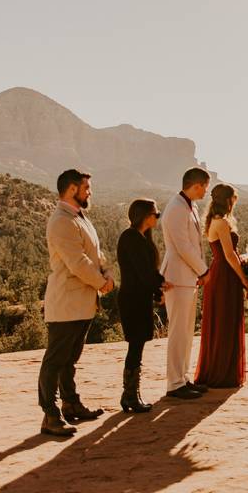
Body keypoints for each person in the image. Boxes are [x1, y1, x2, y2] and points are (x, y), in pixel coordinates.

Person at [38, 169, 115, 436]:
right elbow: (77, 262)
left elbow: (95, 254)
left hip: (82, 302)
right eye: (86, 188)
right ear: (72, 189)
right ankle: (50, 414)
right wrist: (101, 282)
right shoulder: (61, 221)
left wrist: (106, 273)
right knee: (55, 360)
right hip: (66, 302)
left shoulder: (80, 218)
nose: (89, 192)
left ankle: (71, 404)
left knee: (70, 359)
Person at [116, 199, 172, 413]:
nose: (157, 218)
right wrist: (160, 286)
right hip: (132, 300)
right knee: (135, 346)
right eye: (156, 214)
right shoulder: (130, 238)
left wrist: (159, 287)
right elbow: (143, 273)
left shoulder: (140, 238)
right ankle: (130, 395)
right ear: (145, 216)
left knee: (137, 346)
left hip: (138, 299)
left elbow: (147, 272)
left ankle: (130, 394)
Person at [161, 167, 212, 399]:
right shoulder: (176, 209)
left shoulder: (188, 206)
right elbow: (183, 246)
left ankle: (183, 378)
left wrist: (198, 273)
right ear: (197, 185)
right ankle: (174, 383)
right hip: (178, 277)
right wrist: (204, 270)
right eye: (205, 187)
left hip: (187, 277)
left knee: (187, 331)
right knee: (178, 331)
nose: (206, 192)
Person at [194, 184, 248, 388]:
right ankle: (223, 373)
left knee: (221, 320)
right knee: (225, 321)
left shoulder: (213, 221)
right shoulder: (222, 222)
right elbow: (229, 254)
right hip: (225, 275)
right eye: (233, 199)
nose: (234, 203)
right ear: (227, 200)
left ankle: (220, 369)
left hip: (220, 272)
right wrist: (244, 278)